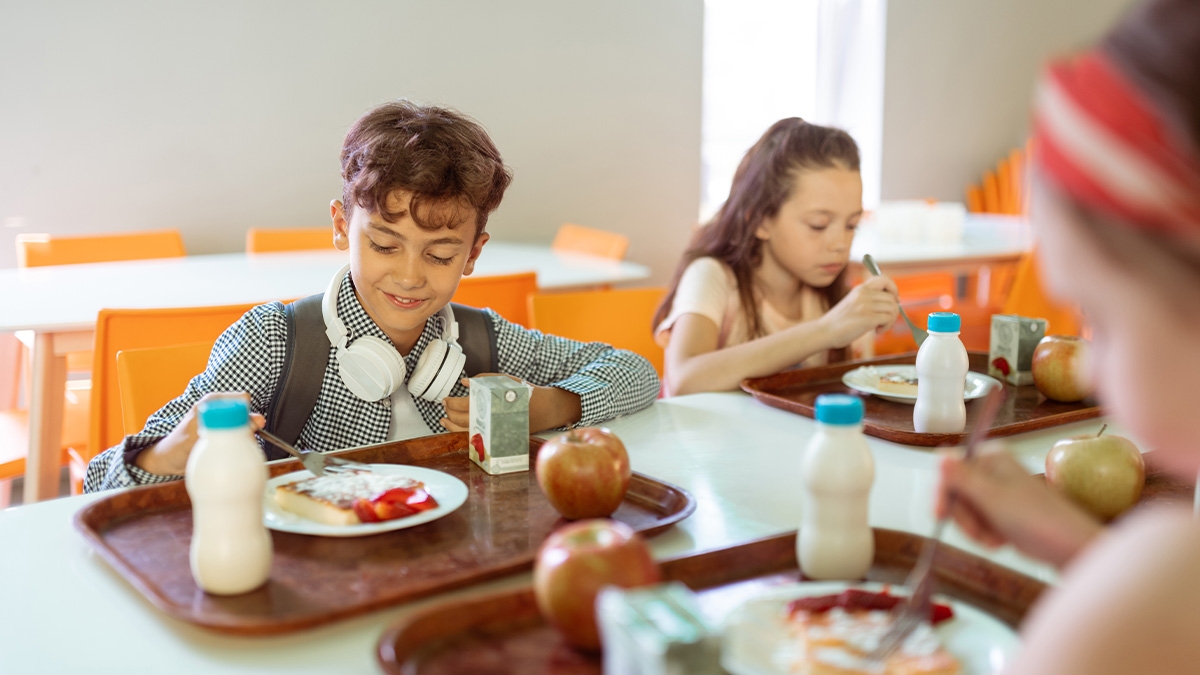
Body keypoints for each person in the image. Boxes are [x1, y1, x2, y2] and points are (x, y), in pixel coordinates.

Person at [85, 100, 660, 493]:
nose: (410, 277)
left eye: (440, 255)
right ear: (341, 226)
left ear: (474, 253)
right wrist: (163, 459)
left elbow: (637, 372)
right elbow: (96, 482)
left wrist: (553, 405)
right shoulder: (274, 341)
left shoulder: (480, 340)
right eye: (385, 244)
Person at [936, 1, 1200, 671]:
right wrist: (1085, 546)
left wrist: (1128, 585)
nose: (1086, 372)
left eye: (1100, 317)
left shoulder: (1160, 583)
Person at [652, 119, 900, 396]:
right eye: (818, 225)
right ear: (760, 221)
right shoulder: (712, 276)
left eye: (852, 225)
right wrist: (827, 329)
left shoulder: (825, 291)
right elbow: (684, 379)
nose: (840, 244)